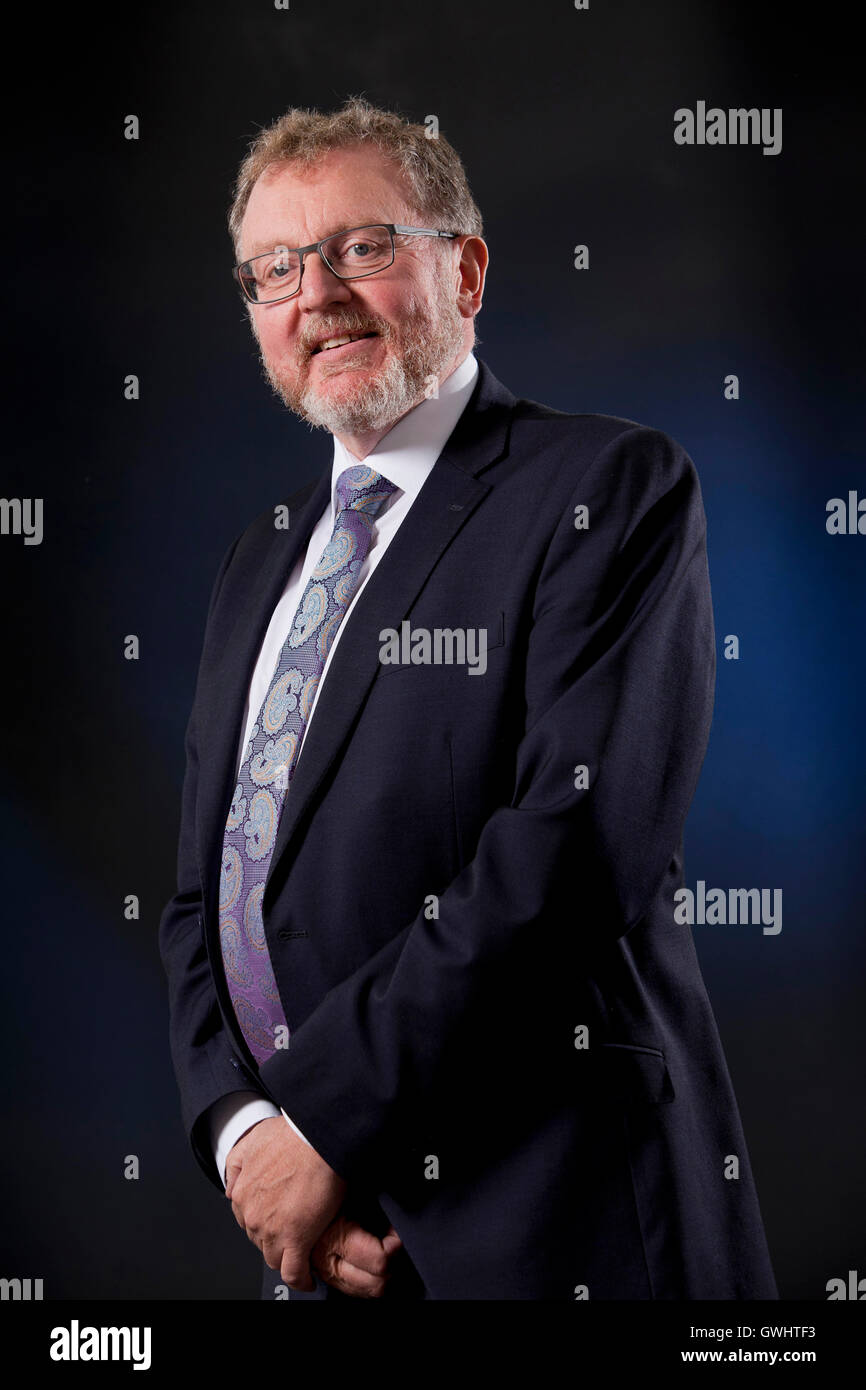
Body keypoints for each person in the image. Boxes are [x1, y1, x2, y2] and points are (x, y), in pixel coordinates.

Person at [158, 97, 778, 1301]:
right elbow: (201, 891)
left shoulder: (604, 489)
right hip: (335, 1241)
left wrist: (320, 1126)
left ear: (466, 267)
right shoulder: (258, 560)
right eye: (274, 269)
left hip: (561, 1225)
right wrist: (245, 1137)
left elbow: (571, 855)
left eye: (361, 247)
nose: (316, 295)